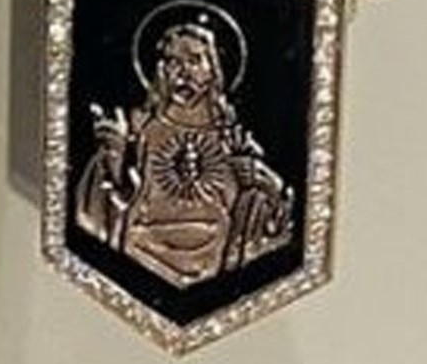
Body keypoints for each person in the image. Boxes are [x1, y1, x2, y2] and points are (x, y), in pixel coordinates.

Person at [74, 18, 293, 287]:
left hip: (214, 262)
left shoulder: (234, 139)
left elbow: (270, 219)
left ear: (213, 69)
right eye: (173, 61)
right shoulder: (138, 131)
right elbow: (97, 213)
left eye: (194, 60)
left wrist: (263, 182)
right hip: (139, 257)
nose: (183, 73)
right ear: (161, 69)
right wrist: (114, 165)